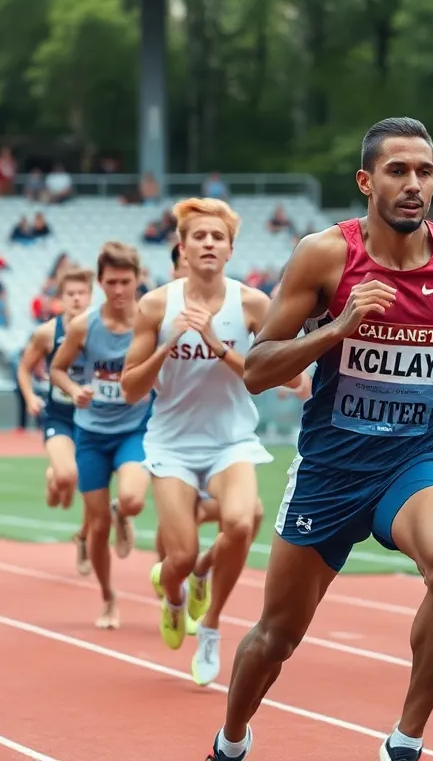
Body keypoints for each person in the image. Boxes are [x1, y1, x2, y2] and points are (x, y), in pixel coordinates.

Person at [205, 117, 433, 761]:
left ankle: (404, 743)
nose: (413, 185)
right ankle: (229, 744)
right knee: (277, 638)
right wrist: (339, 326)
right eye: (397, 171)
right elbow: (261, 372)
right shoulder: (326, 255)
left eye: (425, 172)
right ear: (365, 180)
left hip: (414, 458)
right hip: (330, 469)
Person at [122, 198, 299, 687]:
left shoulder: (253, 305)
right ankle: (178, 590)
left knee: (242, 523)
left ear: (230, 250)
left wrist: (218, 345)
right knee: (175, 557)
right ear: (182, 246)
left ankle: (214, 623)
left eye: (216, 237)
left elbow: (267, 377)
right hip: (173, 445)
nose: (207, 244)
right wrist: (167, 343)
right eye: (198, 236)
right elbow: (130, 388)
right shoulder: (156, 305)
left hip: (231, 442)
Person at [49, 241, 153, 630]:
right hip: (91, 432)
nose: (119, 290)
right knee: (96, 528)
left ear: (138, 279)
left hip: (136, 427)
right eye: (111, 282)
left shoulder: (150, 320)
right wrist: (75, 391)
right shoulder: (83, 326)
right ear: (100, 282)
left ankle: (122, 513)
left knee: (132, 499)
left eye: (126, 281)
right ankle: (109, 597)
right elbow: (57, 369)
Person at [17, 267, 96, 576]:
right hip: (60, 416)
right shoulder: (48, 333)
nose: (76, 299)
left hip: (93, 419)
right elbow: (24, 368)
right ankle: (55, 479)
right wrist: (29, 397)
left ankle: (85, 538)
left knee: (92, 486)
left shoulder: (101, 330)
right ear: (61, 299)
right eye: (70, 294)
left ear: (90, 296)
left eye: (82, 294)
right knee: (66, 477)